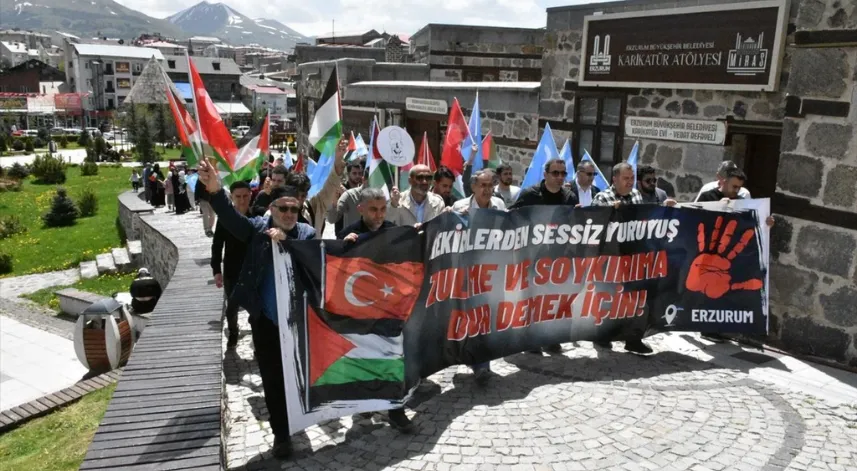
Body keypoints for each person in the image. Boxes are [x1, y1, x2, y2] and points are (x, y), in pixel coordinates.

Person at [197, 157, 315, 460]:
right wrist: (215, 191)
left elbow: (313, 260)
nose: (289, 214)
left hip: (297, 322)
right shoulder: (257, 229)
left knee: (297, 377)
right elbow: (230, 218)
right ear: (271, 209)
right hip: (265, 321)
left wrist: (287, 241)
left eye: (294, 209)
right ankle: (281, 435)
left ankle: (298, 416)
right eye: (283, 209)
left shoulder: (306, 233)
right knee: (272, 378)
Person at [335, 187, 415, 432]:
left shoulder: (393, 231)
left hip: (389, 309)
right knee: (362, 358)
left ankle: (396, 411)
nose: (379, 215)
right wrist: (344, 247)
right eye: (373, 209)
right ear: (361, 209)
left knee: (392, 358)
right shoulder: (349, 234)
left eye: (382, 209)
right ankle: (365, 402)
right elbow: (335, 269)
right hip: (359, 310)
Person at [592, 162, 676, 354]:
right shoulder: (602, 198)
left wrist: (664, 208)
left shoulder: (637, 195)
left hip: (634, 257)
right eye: (626, 178)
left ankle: (633, 339)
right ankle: (603, 334)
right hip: (610, 257)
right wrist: (609, 212)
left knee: (636, 298)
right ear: (615, 179)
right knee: (609, 297)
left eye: (632, 178)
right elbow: (595, 226)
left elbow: (646, 219)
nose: (630, 182)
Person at [511, 158, 578, 354]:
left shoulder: (569, 197)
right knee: (532, 299)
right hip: (532, 257)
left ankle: (550, 337)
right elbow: (512, 218)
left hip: (558, 257)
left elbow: (576, 224)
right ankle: (530, 340)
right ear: (545, 174)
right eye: (555, 173)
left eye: (563, 173)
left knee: (554, 298)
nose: (560, 177)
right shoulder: (530, 195)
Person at [451, 169, 506, 383]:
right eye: (483, 185)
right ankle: (469, 356)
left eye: (490, 185)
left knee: (485, 317)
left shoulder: (499, 205)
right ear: (473, 187)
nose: (487, 189)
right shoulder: (460, 206)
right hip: (466, 270)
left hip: (491, 270)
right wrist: (460, 222)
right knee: (468, 316)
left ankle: (482, 364)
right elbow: (451, 236)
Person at [211, 180, 252, 347]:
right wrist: (216, 270)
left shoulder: (258, 215)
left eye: (245, 196)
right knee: (232, 307)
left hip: (253, 269)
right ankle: (233, 332)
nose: (242, 200)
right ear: (232, 197)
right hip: (232, 269)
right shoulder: (224, 219)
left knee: (256, 307)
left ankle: (258, 337)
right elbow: (217, 245)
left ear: (250, 196)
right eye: (238, 197)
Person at [388, 165, 447, 229]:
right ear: (410, 181)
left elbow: (441, 229)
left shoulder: (438, 202)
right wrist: (393, 206)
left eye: (428, 178)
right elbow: (388, 226)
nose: (424, 182)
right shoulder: (398, 200)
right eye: (420, 177)